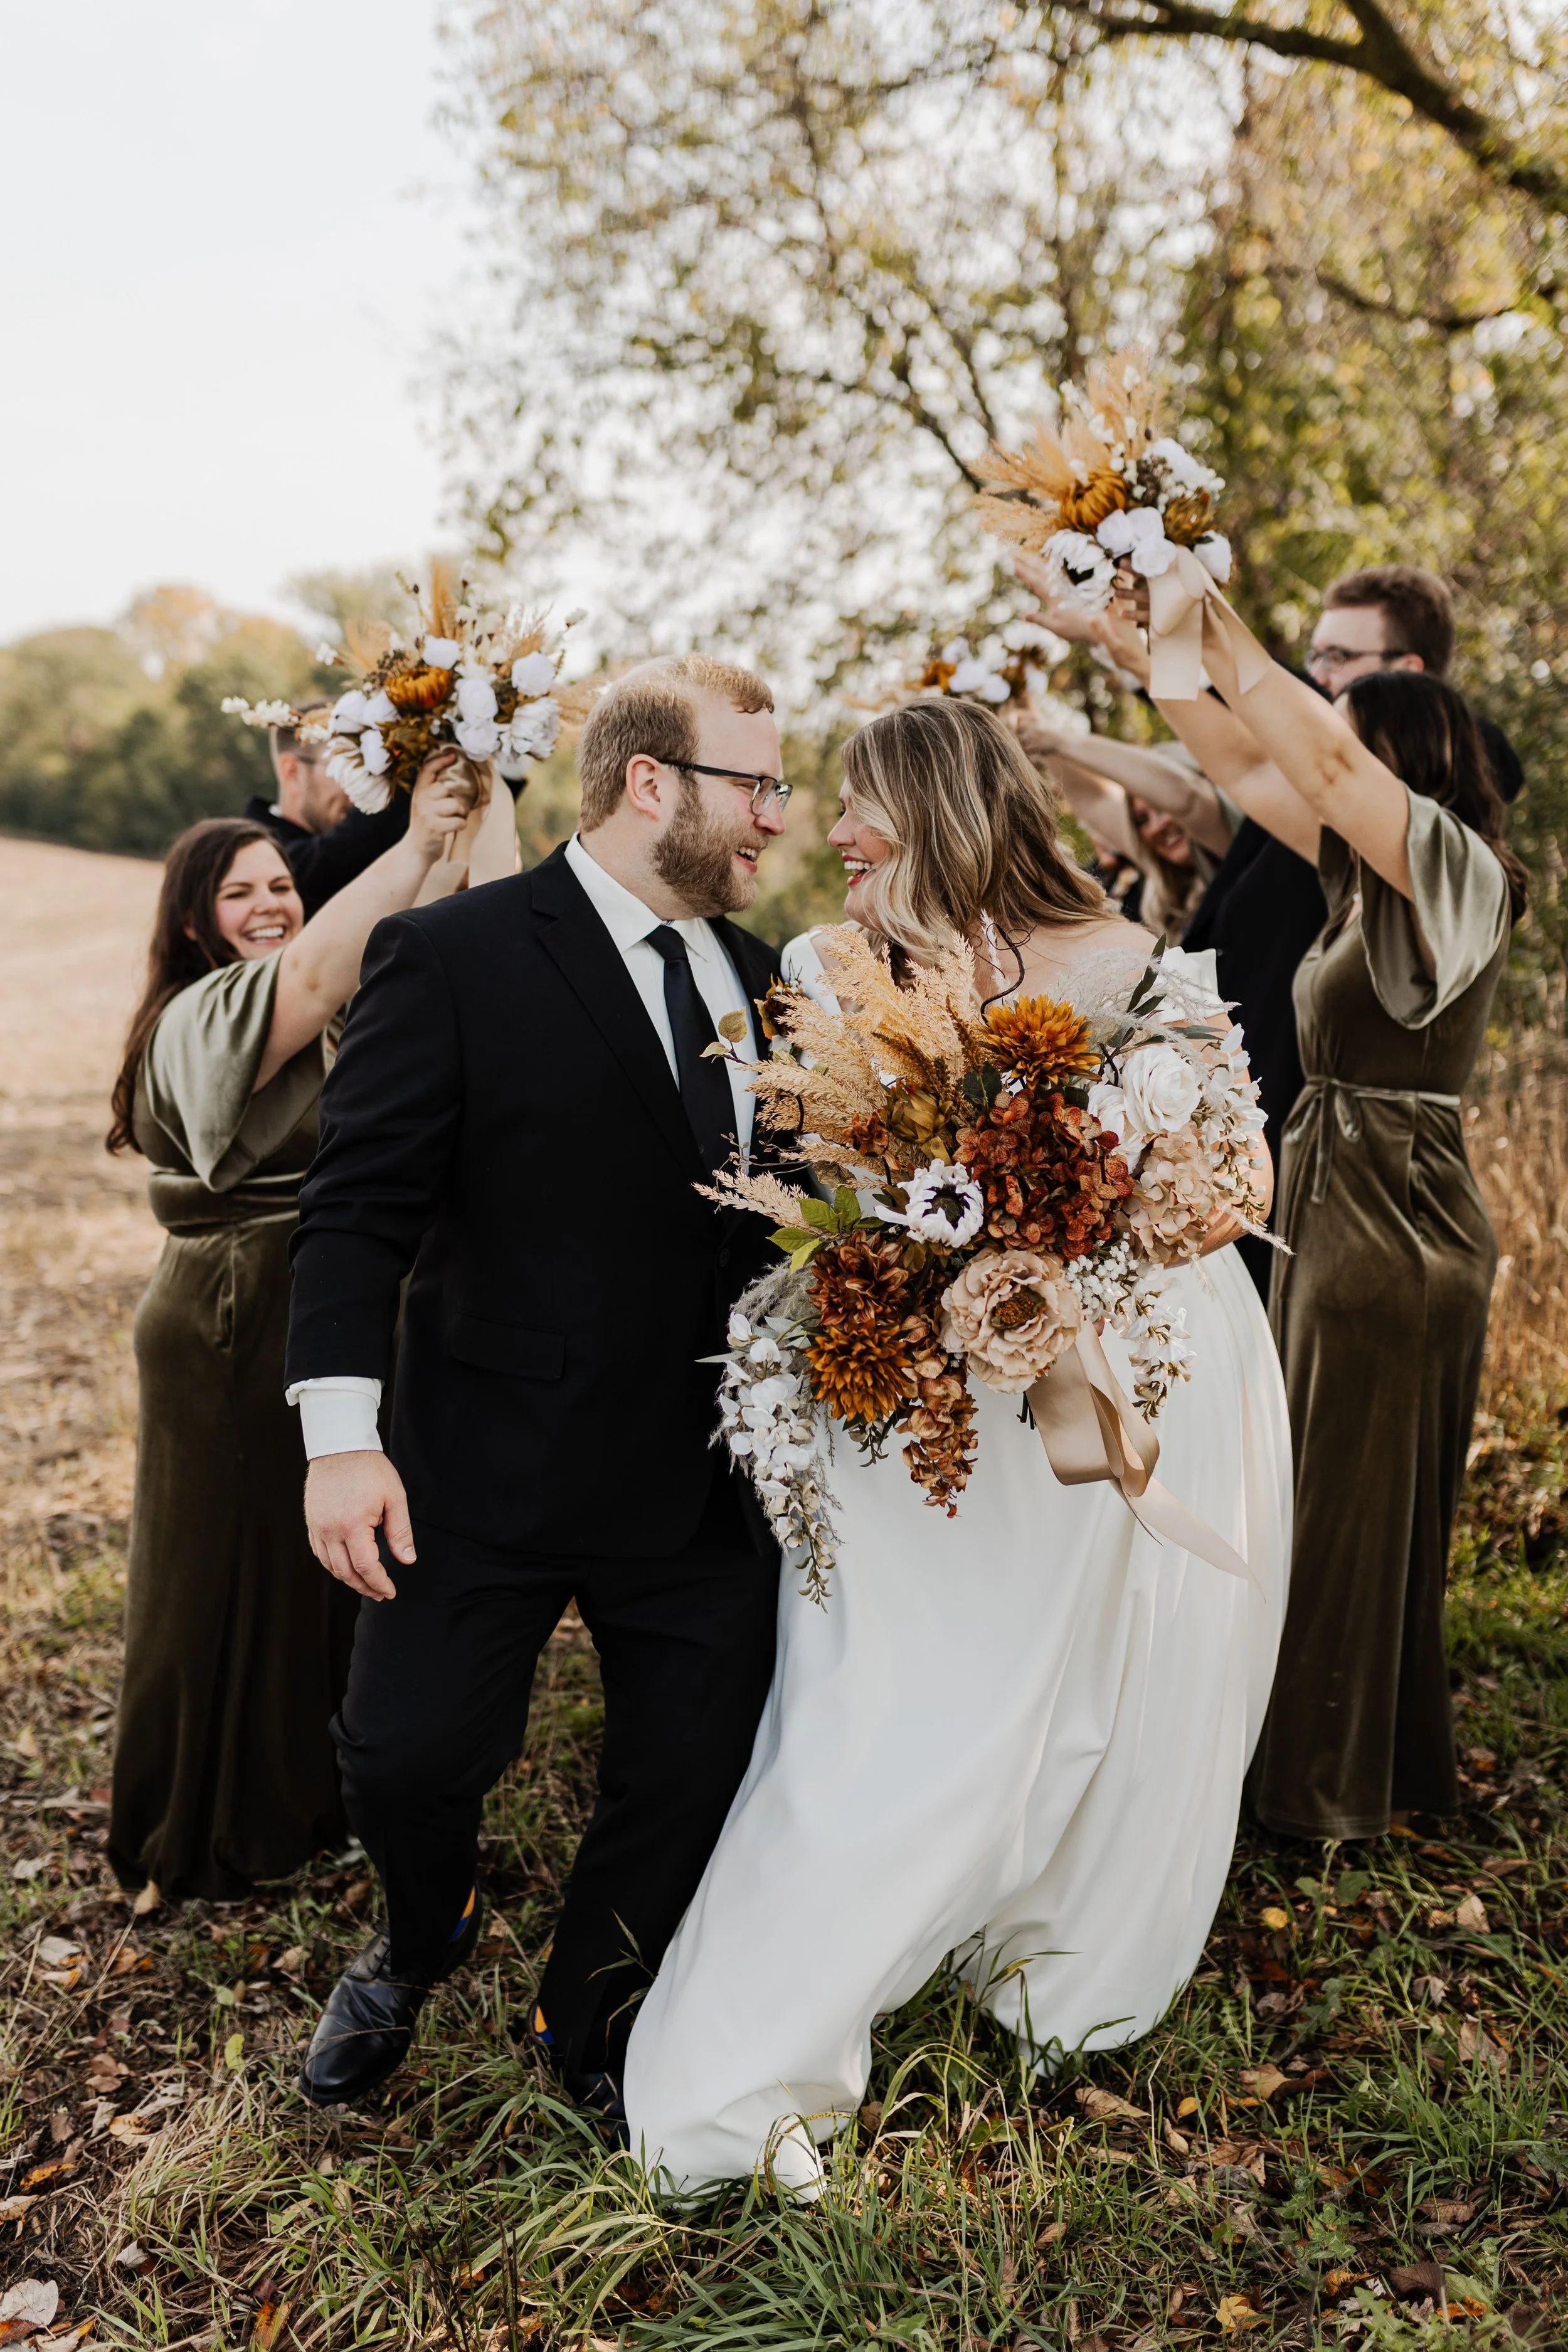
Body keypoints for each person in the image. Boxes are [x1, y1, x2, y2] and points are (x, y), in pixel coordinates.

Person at [623, 697, 1292, 2195]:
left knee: (1112, 1675)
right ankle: (749, 2060)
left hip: (1132, 1358)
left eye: (857, 801)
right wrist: (960, 1208)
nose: (829, 828)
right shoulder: (822, 964)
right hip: (923, 1383)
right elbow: (839, 1161)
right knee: (893, 1703)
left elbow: (1233, 1173)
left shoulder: (1138, 967)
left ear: (941, 806)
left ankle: (1056, 1963)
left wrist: (1089, 1221)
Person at [285, 655, 793, 2112]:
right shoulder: (455, 955)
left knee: (683, 1772)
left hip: (702, 1480)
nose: (772, 815)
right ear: (652, 783)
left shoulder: (766, 980)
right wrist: (339, 1437)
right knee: (404, 1758)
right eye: (750, 783)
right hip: (483, 1461)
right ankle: (417, 1923)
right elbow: (356, 1208)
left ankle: (594, 2012)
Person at [1124, 568, 1525, 1839]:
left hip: (1392, 1221)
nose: (1314, 752)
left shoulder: (1455, 874)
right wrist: (1154, 624)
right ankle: (1327, 1762)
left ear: (1399, 762)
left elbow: (1323, 768)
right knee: (1309, 1503)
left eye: (1343, 735)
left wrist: (1216, 606)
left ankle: (1314, 1794)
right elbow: (1245, 770)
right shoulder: (1362, 878)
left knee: (1343, 1519)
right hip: (1331, 1198)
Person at [107, 756, 478, 1903]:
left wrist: (481, 792)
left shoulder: (321, 1007)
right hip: (226, 1320)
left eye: (281, 884)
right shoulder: (206, 1014)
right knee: (221, 1574)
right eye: (240, 894)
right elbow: (317, 975)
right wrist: (410, 843)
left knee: (313, 1574)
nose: (270, 904)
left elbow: (453, 928)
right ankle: (203, 1828)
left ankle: (310, 1803)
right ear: (192, 921)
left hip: (310, 1310)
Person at [247, 705, 523, 914]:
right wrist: (428, 747)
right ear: (292, 772)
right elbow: (345, 850)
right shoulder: (251, 851)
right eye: (351, 768)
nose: (367, 787)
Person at [1014, 714, 1230, 938]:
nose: (1156, 827)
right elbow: (1091, 801)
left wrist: (1060, 742)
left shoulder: (1239, 842)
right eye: (1142, 820)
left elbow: (1187, 798)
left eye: (1164, 806)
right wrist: (1040, 739)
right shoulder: (1165, 892)